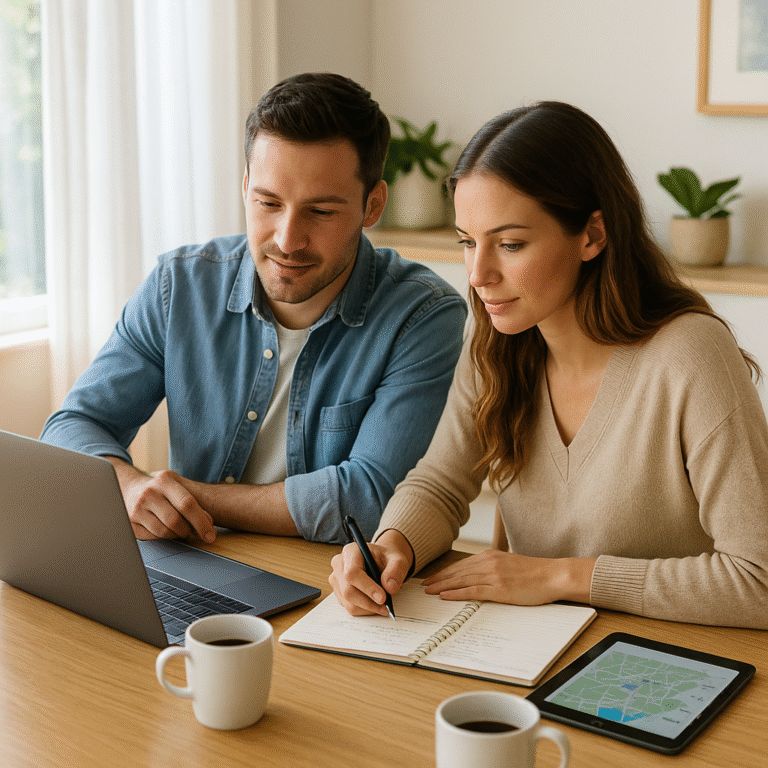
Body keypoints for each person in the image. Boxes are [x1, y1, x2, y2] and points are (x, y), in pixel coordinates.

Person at [330, 100, 768, 629]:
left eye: (510, 244)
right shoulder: (495, 340)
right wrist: (389, 546)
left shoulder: (691, 356)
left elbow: (757, 580)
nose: (478, 274)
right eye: (468, 243)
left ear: (592, 235)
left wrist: (561, 577)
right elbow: (442, 483)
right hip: (531, 649)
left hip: (668, 664)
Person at [41, 73, 467, 545]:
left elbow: (369, 500)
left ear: (373, 206)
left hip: (333, 587)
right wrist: (130, 487)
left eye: (321, 212)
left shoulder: (424, 315)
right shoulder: (178, 286)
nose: (287, 240)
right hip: (196, 563)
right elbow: (72, 426)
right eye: (268, 202)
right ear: (246, 188)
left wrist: (183, 497)